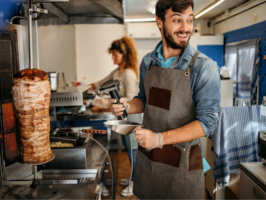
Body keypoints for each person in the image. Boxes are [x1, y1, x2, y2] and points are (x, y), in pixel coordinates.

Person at [109, 0, 221, 199]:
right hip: (150, 161)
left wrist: (159, 139)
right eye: (177, 20)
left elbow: (207, 124)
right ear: (159, 22)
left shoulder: (204, 67)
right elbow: (144, 100)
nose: (185, 28)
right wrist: (128, 105)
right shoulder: (148, 62)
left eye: (189, 20)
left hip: (184, 166)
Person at [90, 36, 141, 197]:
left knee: (133, 152)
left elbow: (133, 98)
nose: (112, 58)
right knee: (127, 149)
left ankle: (136, 183)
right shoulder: (117, 71)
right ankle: (132, 178)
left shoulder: (128, 74)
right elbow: (103, 82)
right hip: (123, 119)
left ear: (123, 54)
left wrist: (112, 100)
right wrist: (90, 86)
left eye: (115, 55)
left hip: (132, 119)